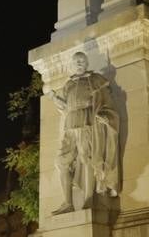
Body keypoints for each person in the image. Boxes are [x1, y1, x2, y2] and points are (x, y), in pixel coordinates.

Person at [51, 52, 120, 213]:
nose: (79, 63)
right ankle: (68, 203)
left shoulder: (96, 80)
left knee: (86, 158)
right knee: (61, 161)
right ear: (72, 65)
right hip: (70, 125)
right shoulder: (68, 84)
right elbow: (66, 107)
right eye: (76, 61)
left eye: (82, 60)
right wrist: (58, 102)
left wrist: (106, 115)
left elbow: (106, 102)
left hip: (87, 122)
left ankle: (89, 198)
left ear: (87, 63)